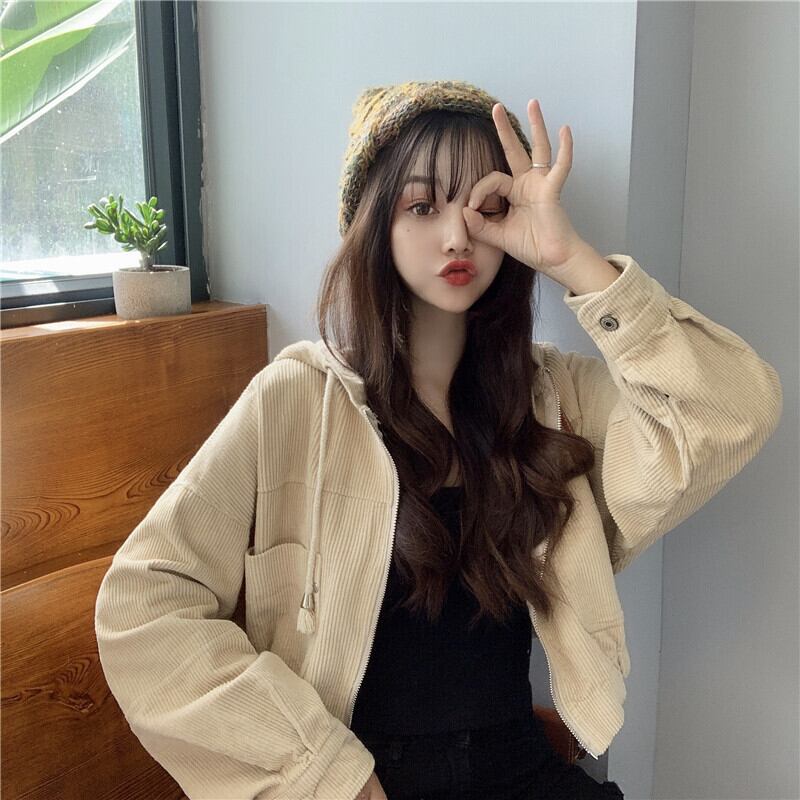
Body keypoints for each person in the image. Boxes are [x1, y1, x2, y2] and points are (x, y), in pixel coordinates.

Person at [94, 80, 783, 800]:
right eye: (422, 207)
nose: (458, 237)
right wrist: (316, 772)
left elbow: (731, 411)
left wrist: (573, 260)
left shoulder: (553, 401)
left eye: (486, 209)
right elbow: (143, 604)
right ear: (374, 223)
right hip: (358, 782)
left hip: (521, 772)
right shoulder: (297, 399)